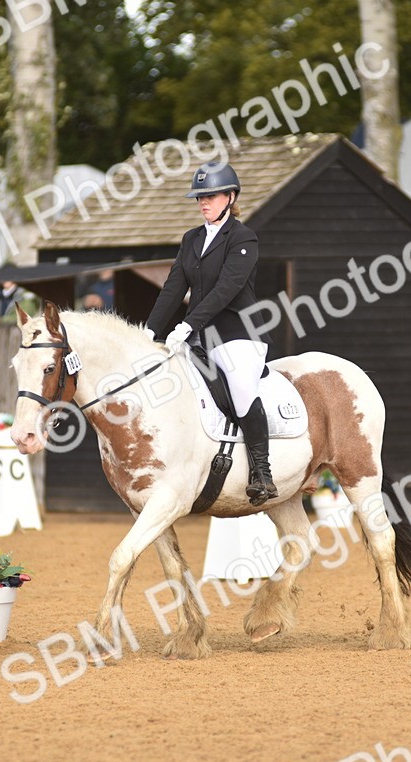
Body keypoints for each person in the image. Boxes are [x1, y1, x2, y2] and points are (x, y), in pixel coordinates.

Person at [144, 161, 277, 506]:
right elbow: (173, 289)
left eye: (211, 196)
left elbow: (227, 289)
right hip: (198, 336)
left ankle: (262, 471)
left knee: (242, 387)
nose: (203, 202)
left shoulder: (243, 238)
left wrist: (188, 324)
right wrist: (148, 331)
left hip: (238, 334)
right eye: (200, 197)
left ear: (230, 197)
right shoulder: (191, 239)